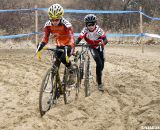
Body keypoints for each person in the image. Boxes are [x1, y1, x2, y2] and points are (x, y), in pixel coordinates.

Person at [36, 4, 75, 85]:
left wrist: (69, 47)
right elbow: (45, 38)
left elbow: (72, 38)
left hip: (68, 45)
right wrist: (41, 44)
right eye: (52, 19)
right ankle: (55, 88)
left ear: (60, 17)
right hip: (59, 45)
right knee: (54, 66)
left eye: (56, 19)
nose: (54, 22)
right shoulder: (48, 25)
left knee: (63, 59)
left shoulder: (67, 25)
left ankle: (72, 71)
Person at [75, 14, 108, 91]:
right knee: (98, 63)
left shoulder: (99, 30)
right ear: (86, 25)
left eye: (93, 24)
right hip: (92, 47)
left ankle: (98, 75)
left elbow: (106, 40)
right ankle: (99, 84)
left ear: (95, 23)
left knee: (101, 66)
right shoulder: (85, 30)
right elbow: (79, 38)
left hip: (100, 47)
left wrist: (102, 43)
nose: (91, 26)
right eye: (89, 25)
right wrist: (74, 43)